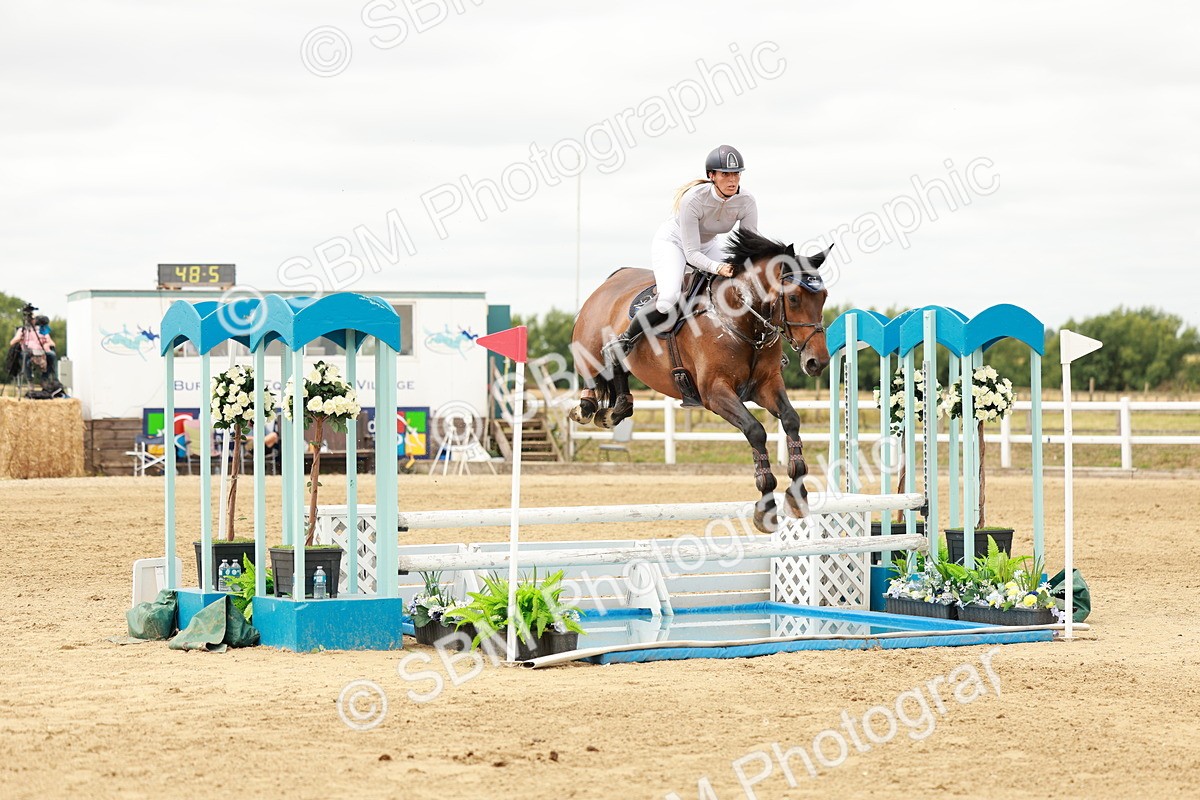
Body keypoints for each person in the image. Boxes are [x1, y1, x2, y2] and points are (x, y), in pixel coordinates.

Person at [605, 144, 759, 358]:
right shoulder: (693, 199)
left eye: (736, 174)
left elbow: (747, 247)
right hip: (674, 243)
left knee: (747, 286)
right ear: (711, 175)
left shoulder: (747, 202)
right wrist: (719, 267)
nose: (732, 180)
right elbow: (692, 254)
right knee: (669, 298)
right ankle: (625, 340)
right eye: (725, 174)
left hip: (707, 244)